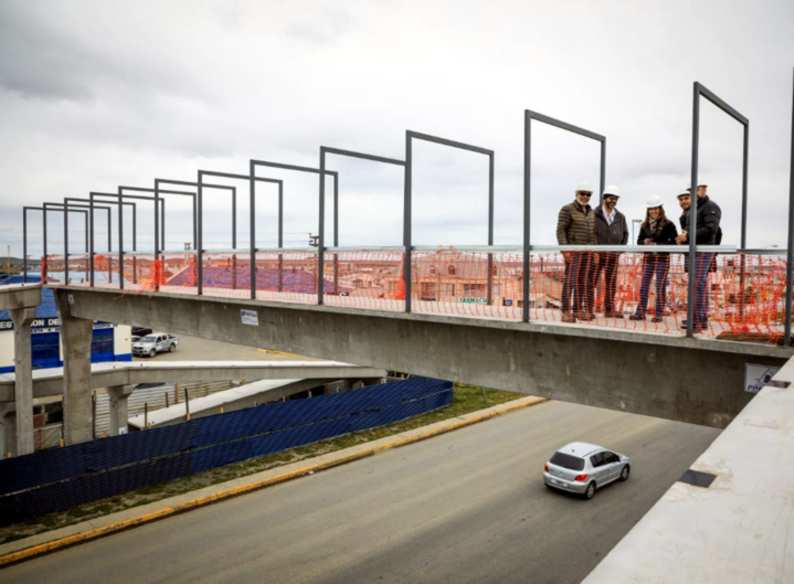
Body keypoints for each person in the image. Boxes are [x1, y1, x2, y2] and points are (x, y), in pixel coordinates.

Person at [675, 184, 722, 331]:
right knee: (698, 284)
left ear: (704, 190)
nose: (694, 194)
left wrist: (687, 236)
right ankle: (698, 318)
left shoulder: (710, 207)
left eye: (697, 190)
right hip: (694, 251)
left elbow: (712, 230)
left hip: (703, 250)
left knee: (698, 284)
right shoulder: (692, 211)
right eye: (691, 192)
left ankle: (697, 320)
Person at [630, 196, 678, 322]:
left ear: (660, 209)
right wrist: (644, 241)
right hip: (649, 258)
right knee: (644, 285)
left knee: (660, 286)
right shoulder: (645, 225)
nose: (654, 211)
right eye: (651, 209)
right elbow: (639, 241)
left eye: (656, 208)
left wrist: (658, 245)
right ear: (648, 211)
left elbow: (674, 243)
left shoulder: (669, 225)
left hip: (662, 258)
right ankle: (640, 312)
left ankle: (658, 314)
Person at [556, 182, 597, 323]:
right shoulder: (567, 209)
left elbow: (593, 233)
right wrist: (565, 249)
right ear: (576, 194)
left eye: (588, 194)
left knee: (583, 281)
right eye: (582, 193)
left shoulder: (591, 212)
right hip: (573, 252)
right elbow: (561, 230)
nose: (585, 197)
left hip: (588, 252)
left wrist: (595, 250)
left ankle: (578, 310)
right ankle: (566, 311)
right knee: (570, 281)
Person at [593, 185, 628, 317]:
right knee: (592, 281)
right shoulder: (594, 214)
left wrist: (619, 251)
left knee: (611, 283)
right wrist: (594, 250)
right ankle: (588, 308)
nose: (613, 201)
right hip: (597, 255)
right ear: (604, 198)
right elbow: (591, 233)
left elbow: (625, 234)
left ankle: (609, 309)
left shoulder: (620, 217)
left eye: (615, 199)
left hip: (613, 255)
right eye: (610, 198)